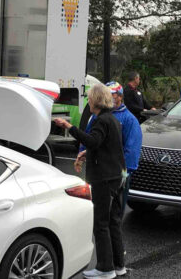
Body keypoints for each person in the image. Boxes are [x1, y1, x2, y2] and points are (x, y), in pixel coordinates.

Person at [53, 84, 126, 279]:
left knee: (100, 224)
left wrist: (69, 127)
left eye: (90, 98)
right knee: (112, 223)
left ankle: (105, 268)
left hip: (103, 178)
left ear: (95, 100)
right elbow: (105, 145)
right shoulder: (113, 120)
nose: (88, 102)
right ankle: (119, 265)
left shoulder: (101, 120)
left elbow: (93, 140)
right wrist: (88, 152)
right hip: (117, 176)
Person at [78, 82, 141, 208]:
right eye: (107, 94)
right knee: (95, 210)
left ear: (120, 96)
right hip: (98, 174)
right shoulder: (97, 116)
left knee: (115, 214)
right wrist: (82, 153)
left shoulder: (129, 120)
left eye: (112, 94)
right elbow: (89, 136)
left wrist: (123, 174)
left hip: (117, 175)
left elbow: (132, 150)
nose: (109, 97)